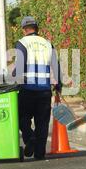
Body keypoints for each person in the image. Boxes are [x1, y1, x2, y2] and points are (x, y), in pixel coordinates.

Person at [14, 16, 62, 160]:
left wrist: (11, 77)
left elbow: (19, 67)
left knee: (22, 119)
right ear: (37, 28)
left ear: (24, 29)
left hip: (27, 89)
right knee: (42, 123)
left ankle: (30, 139)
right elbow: (56, 67)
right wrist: (58, 86)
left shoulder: (22, 43)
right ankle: (40, 154)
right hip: (44, 90)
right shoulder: (48, 44)